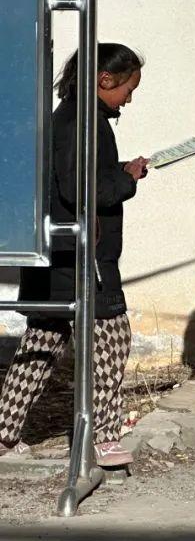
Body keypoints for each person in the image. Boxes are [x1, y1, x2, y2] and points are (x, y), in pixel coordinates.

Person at [0, 44, 148, 467]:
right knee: (112, 341)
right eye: (128, 88)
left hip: (56, 253)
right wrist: (128, 180)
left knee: (43, 343)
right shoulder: (84, 122)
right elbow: (82, 190)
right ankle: (102, 437)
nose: (130, 98)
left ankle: (6, 433)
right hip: (85, 256)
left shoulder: (71, 117)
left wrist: (116, 172)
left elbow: (79, 178)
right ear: (105, 80)